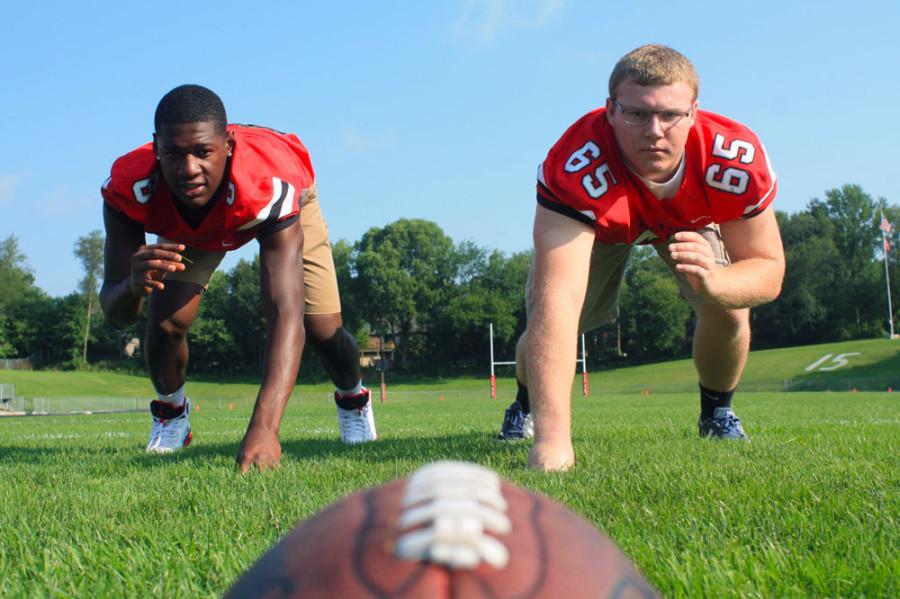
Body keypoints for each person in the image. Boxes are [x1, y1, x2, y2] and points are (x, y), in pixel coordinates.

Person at [496, 45, 785, 471]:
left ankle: (717, 411)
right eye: (637, 114)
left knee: (729, 310)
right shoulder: (576, 163)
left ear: (694, 113)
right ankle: (528, 405)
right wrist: (554, 445)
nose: (654, 130)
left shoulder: (731, 156)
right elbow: (557, 302)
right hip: (603, 222)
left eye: (670, 115)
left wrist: (717, 285)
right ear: (610, 110)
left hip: (689, 217)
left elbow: (769, 269)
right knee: (552, 316)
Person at [100, 84, 377, 472]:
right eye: (174, 153)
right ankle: (171, 413)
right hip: (193, 224)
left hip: (271, 198)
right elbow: (116, 315)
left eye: (202, 152)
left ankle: (353, 398)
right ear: (156, 146)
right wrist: (132, 285)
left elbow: (285, 311)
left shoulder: (267, 182)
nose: (189, 168)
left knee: (321, 328)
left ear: (227, 145)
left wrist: (265, 427)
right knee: (164, 324)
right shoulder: (130, 184)